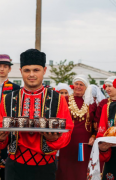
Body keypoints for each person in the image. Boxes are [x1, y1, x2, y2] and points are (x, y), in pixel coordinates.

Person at [0, 49, 74, 180]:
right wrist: (1, 138)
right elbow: (2, 132)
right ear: (21, 71)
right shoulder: (7, 99)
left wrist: (53, 139)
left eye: (36, 70)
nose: (31, 74)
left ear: (44, 70)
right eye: (27, 70)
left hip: (45, 167)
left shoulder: (58, 99)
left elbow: (67, 131)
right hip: (14, 167)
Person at [56, 75, 97, 180]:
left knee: (81, 168)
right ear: (72, 85)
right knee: (66, 168)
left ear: (86, 87)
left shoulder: (91, 103)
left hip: (85, 142)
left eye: (81, 85)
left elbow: (95, 123)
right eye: (76, 84)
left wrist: (93, 136)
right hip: (67, 141)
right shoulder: (64, 100)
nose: (78, 86)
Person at [0, 54, 20, 180]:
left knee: (5, 167)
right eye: (0, 66)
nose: (2, 69)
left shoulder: (15, 88)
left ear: (9, 69)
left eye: (5, 66)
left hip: (6, 130)